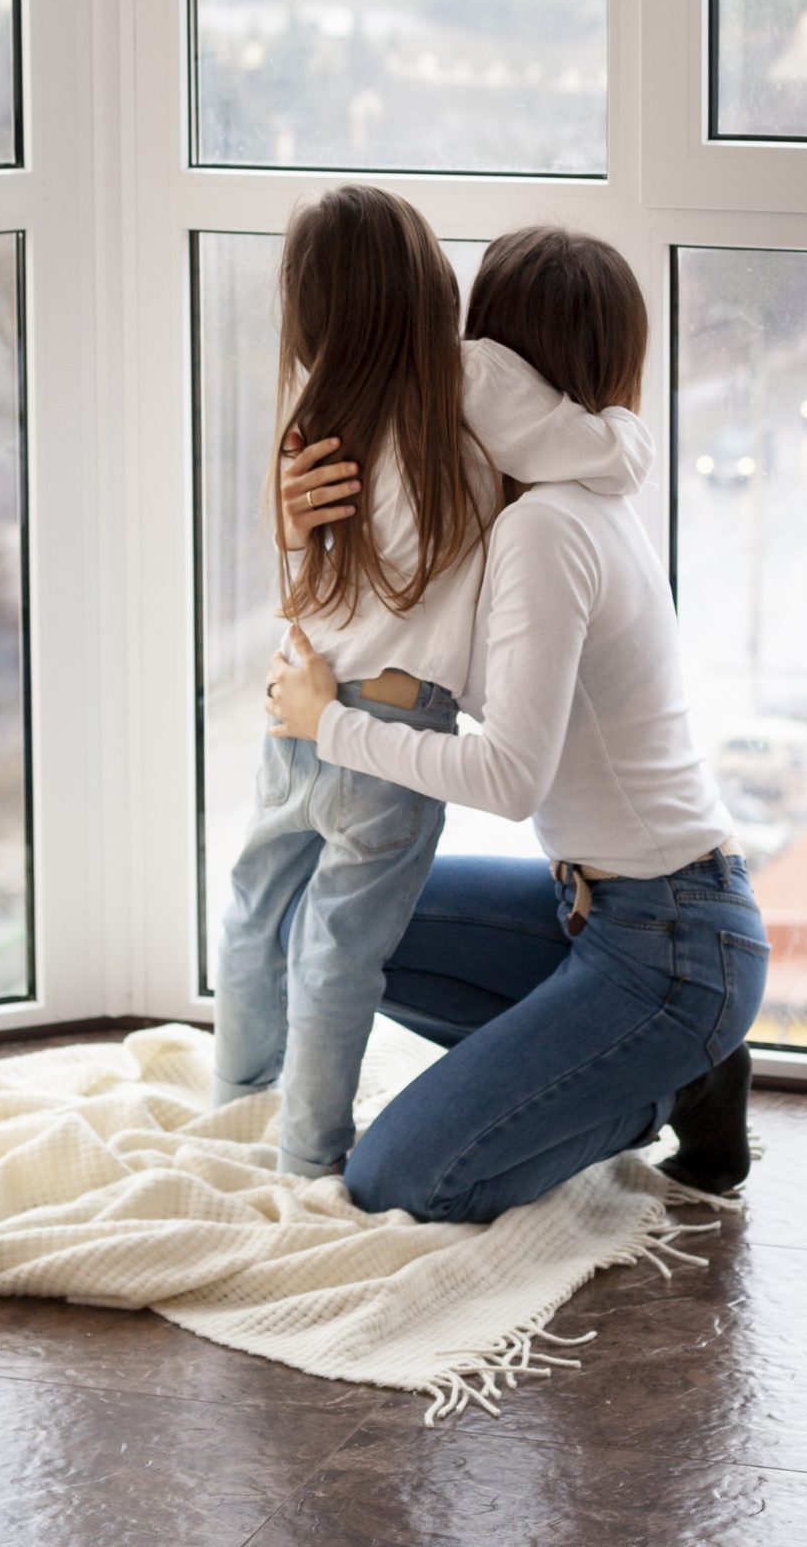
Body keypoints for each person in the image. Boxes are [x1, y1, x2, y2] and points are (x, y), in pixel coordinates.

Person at [266, 225, 770, 1222]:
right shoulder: (524, 501)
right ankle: (607, 1061)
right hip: (595, 913)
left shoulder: (548, 526)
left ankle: (671, 1082)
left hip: (673, 939)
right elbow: (399, 630)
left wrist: (330, 729)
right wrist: (301, 528)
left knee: (402, 1180)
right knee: (320, 923)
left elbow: (508, 780)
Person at [212, 186, 651, 1178]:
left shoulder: (324, 404)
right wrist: (631, 428)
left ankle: (236, 1100)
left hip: (296, 707)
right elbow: (598, 454)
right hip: (392, 731)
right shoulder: (472, 377)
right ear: (429, 284)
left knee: (256, 909)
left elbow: (316, 567)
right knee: (340, 949)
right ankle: (308, 1154)